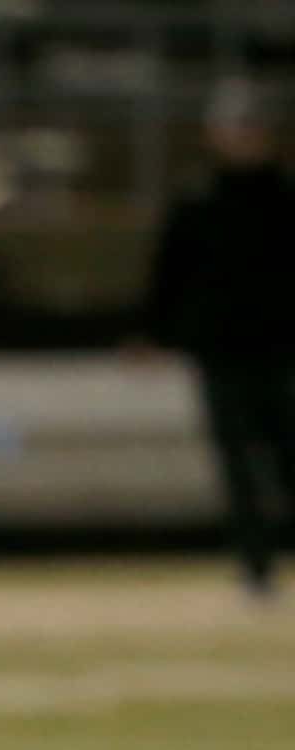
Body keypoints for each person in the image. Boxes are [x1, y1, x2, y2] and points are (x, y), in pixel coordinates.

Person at [145, 79, 295, 604]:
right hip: (223, 352)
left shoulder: (284, 196)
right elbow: (169, 274)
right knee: (238, 468)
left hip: (282, 350)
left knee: (288, 460)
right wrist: (154, 333)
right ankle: (256, 570)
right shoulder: (198, 200)